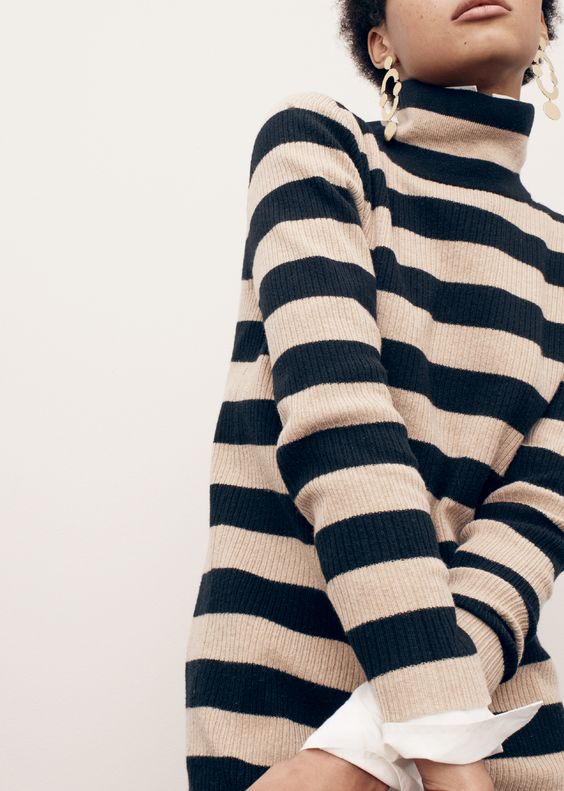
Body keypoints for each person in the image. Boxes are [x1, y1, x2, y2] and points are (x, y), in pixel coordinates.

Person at [185, 1, 564, 789]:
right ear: (379, 39)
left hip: (494, 737)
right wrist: (442, 746)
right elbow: (341, 428)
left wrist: (367, 747)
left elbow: (532, 527)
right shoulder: (320, 147)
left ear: (546, 27)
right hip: (288, 716)